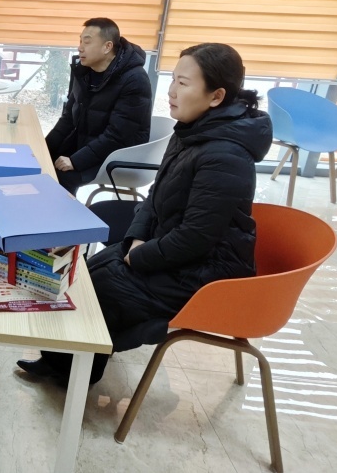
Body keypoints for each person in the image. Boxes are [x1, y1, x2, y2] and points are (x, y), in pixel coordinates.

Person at [19, 43, 272, 385]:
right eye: (173, 79)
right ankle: (65, 361)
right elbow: (155, 196)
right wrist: (137, 238)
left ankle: (75, 375)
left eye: (183, 83)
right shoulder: (194, 130)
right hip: (177, 249)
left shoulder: (227, 156)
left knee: (104, 291)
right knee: (85, 272)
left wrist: (139, 256)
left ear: (216, 97)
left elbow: (196, 237)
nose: (171, 91)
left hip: (207, 273)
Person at [45, 18, 153, 194]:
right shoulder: (85, 72)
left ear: (107, 47)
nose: (80, 47)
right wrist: (45, 148)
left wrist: (76, 161)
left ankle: (64, 211)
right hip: (88, 143)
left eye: (87, 42)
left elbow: (117, 137)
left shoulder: (135, 80)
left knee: (60, 176)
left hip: (117, 154)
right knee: (41, 162)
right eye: (80, 41)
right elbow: (68, 119)